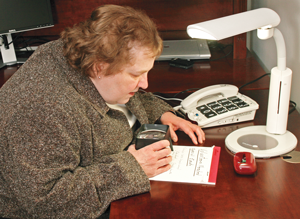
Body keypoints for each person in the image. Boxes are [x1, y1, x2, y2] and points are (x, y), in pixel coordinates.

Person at [0, 4, 205, 219]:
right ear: (100, 67)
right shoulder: (42, 111)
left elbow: (124, 95)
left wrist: (163, 114)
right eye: (136, 75)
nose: (145, 84)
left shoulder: (89, 57)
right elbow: (49, 203)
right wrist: (133, 167)